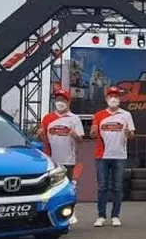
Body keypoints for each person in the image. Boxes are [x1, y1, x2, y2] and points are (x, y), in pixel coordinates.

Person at [90, 87, 135, 227]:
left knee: (117, 187)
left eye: (116, 96)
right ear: (106, 99)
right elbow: (93, 134)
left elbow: (132, 134)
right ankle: (101, 216)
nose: (113, 98)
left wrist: (129, 134)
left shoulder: (126, 115)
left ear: (120, 99)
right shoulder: (98, 115)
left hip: (119, 155)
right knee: (102, 187)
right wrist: (93, 132)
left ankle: (115, 216)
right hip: (102, 156)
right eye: (111, 96)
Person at [38, 89, 84, 184]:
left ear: (68, 102)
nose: (60, 102)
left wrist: (75, 135)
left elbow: (80, 140)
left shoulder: (74, 118)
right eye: (58, 99)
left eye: (62, 100)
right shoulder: (47, 118)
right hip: (52, 160)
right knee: (51, 186)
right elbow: (44, 140)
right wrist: (41, 134)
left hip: (68, 160)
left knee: (66, 185)